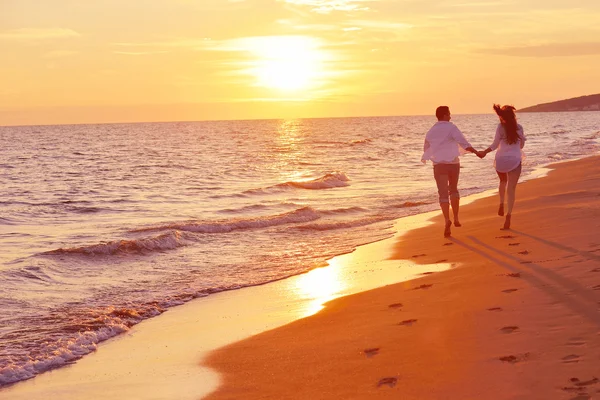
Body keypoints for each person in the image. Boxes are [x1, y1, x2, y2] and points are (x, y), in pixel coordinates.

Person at [422, 106, 479, 237]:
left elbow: (426, 149)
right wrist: (476, 152)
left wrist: (435, 158)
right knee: (453, 190)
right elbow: (463, 142)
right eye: (449, 114)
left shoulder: (430, 131)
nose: (450, 116)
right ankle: (456, 218)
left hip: (439, 165)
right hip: (453, 163)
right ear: (444, 115)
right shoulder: (451, 127)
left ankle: (447, 220)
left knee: (442, 194)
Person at [479, 104, 526, 230]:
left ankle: (501, 202)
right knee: (511, 189)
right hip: (515, 160)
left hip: (501, 160)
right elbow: (521, 145)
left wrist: (484, 151)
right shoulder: (519, 128)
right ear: (514, 116)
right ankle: (509, 215)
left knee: (502, 181)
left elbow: (494, 144)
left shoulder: (500, 127)